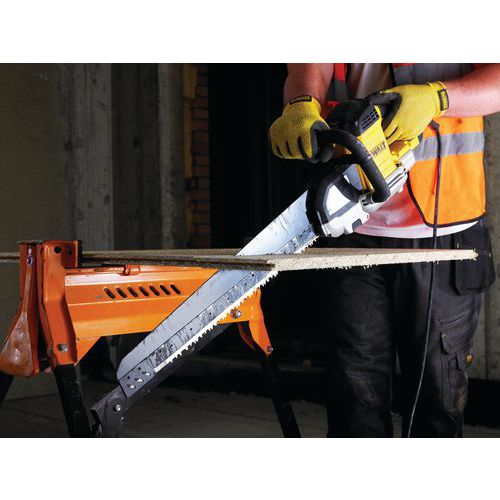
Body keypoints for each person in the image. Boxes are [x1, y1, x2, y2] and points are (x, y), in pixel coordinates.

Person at [269, 63, 500, 437]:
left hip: (445, 227)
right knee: (353, 394)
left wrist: (439, 98)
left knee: (438, 397)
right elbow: (310, 65)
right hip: (351, 222)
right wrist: (300, 102)